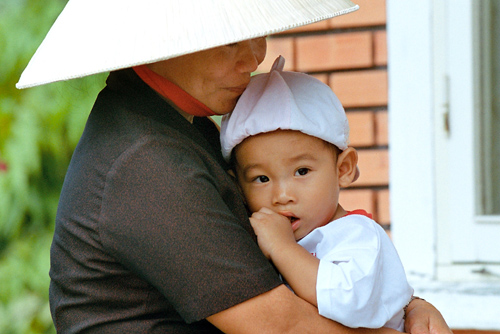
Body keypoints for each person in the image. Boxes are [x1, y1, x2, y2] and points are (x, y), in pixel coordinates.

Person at [16, 0, 453, 332]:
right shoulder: (143, 159)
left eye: (253, 32)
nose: (255, 57)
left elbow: (323, 241)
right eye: (229, 41)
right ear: (164, 38)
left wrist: (406, 304)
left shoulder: (186, 126)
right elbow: (280, 325)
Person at [220, 56, 414, 331]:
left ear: (343, 169)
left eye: (302, 171)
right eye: (261, 178)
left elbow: (349, 301)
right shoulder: (259, 235)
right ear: (238, 186)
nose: (282, 195)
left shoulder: (358, 236)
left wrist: (282, 248)